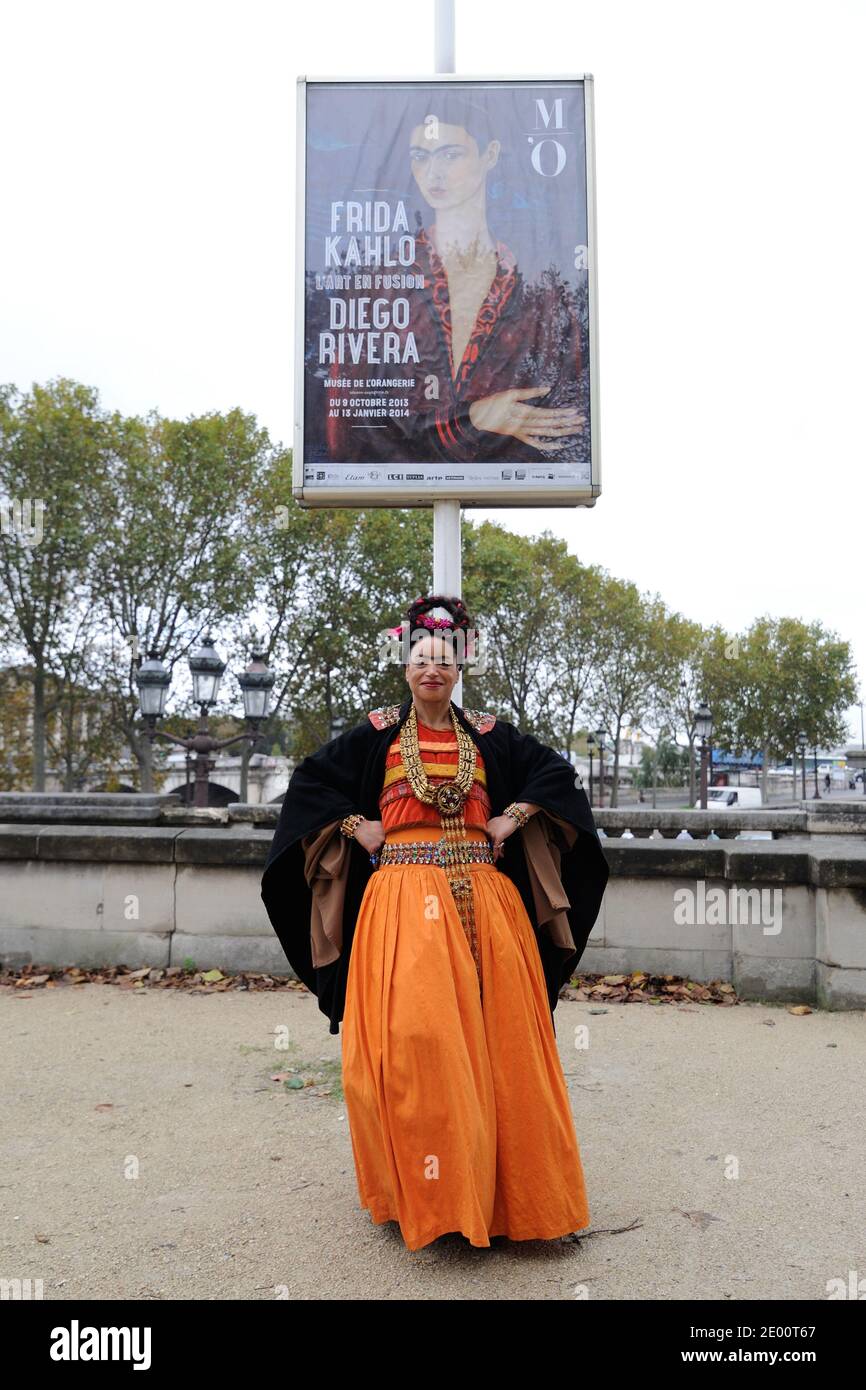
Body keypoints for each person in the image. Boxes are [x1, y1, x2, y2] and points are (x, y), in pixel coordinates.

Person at [261, 594, 610, 1251]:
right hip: (402, 911)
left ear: (459, 669)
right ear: (405, 667)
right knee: (419, 1044)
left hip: (489, 908)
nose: (432, 670)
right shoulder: (373, 735)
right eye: (421, 659)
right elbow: (310, 782)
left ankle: (512, 1203)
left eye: (444, 661)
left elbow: (557, 774)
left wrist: (515, 814)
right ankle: (435, 1199)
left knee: (506, 1049)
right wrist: (352, 824)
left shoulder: (489, 733)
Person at [306, 94, 587, 466]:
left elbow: (569, 428)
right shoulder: (379, 283)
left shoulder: (541, 293)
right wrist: (472, 421)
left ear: (490, 155)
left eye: (451, 154)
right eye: (420, 156)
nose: (433, 173)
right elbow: (345, 433)